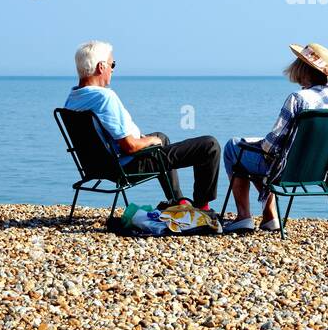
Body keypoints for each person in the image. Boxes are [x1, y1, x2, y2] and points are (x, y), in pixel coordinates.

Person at [63, 40, 221, 208]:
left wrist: (148, 139)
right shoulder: (105, 98)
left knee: (162, 137)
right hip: (126, 167)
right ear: (101, 67)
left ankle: (178, 201)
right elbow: (129, 147)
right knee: (209, 146)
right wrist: (148, 141)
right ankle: (202, 208)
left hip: (97, 165)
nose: (112, 69)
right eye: (112, 64)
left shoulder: (72, 99)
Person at [221, 43, 328, 233]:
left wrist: (256, 144)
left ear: (303, 68)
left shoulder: (298, 98)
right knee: (256, 153)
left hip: (284, 171)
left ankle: (244, 217)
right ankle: (270, 217)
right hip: (316, 172)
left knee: (234, 147)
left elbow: (270, 147)